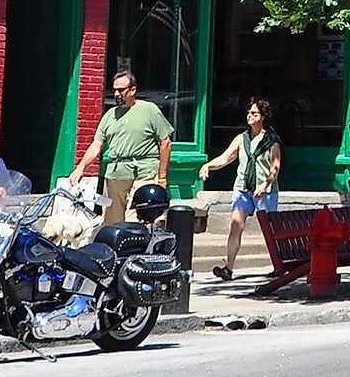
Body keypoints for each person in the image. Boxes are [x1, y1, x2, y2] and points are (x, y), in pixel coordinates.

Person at [71, 71, 174, 226]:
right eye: (115, 90)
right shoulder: (110, 115)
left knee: (136, 219)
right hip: (115, 175)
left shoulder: (149, 110)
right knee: (113, 222)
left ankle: (137, 248)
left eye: (121, 90)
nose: (116, 94)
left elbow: (165, 142)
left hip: (144, 172)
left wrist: (162, 177)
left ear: (132, 90)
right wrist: (81, 167)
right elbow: (97, 144)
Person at [197, 98, 282, 280]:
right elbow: (225, 158)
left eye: (254, 113)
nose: (250, 116)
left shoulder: (272, 141)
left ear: (263, 117)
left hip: (264, 191)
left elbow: (275, 168)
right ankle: (228, 268)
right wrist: (208, 165)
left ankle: (278, 265)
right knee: (235, 226)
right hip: (243, 188)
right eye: (249, 113)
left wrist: (265, 184)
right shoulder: (241, 139)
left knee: (270, 231)